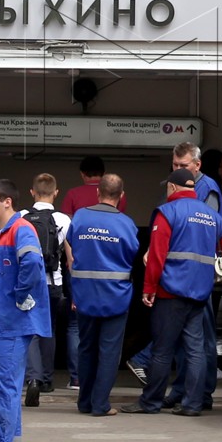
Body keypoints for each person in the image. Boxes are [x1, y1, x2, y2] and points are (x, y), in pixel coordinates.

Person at [123, 168, 222, 416]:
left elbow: (157, 256)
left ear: (171, 188)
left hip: (170, 294)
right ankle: (192, 404)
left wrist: (148, 288)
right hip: (200, 294)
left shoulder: (167, 213)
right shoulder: (211, 216)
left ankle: (151, 402)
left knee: (162, 350)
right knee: (195, 350)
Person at [0, 178, 50, 442]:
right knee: (6, 390)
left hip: (7, 324)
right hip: (2, 322)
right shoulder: (6, 233)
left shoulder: (20, 230)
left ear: (8, 201)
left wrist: (22, 296)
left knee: (3, 391)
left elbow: (33, 262)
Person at [68, 173, 137, 417]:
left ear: (98, 192)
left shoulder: (81, 217)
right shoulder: (126, 224)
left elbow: (72, 244)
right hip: (115, 297)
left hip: (85, 295)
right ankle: (100, 405)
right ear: (122, 196)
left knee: (86, 347)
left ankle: (84, 402)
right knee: (109, 351)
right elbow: (132, 255)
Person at [20, 174, 74, 407]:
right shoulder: (64, 219)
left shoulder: (21, 218)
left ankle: (33, 378)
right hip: (54, 283)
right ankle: (48, 380)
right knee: (48, 328)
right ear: (56, 192)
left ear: (32, 192)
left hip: (29, 283)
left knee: (29, 329)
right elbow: (71, 258)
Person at [60, 155, 125, 217]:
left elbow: (66, 220)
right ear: (104, 173)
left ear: (82, 174)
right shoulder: (116, 192)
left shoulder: (73, 194)